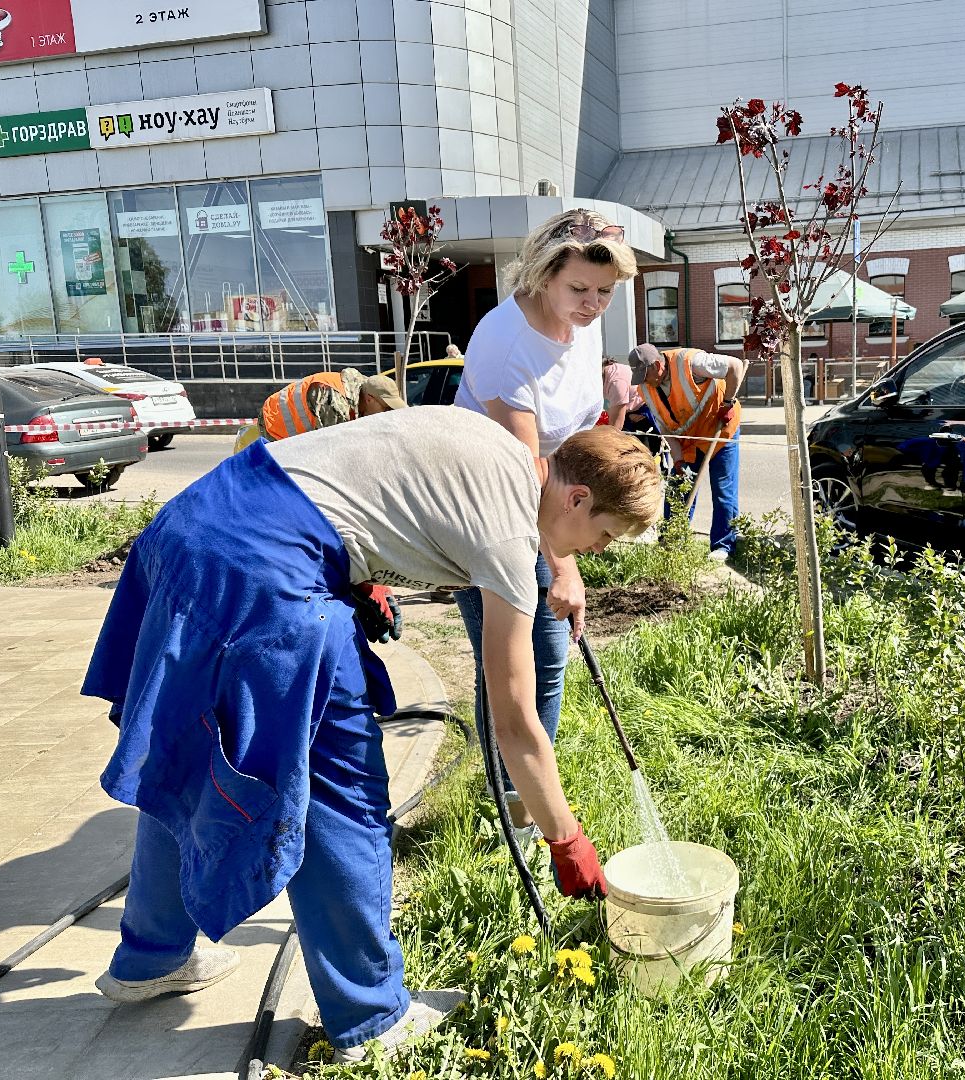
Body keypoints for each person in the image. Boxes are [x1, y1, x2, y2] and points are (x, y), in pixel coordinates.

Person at [82, 410, 660, 1063]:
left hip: (194, 527)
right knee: (341, 787)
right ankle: (371, 1016)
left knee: (194, 749)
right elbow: (515, 722)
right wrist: (565, 837)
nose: (593, 553)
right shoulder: (509, 536)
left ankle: (150, 957)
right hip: (260, 569)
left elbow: (369, 477)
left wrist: (359, 571)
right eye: (603, 536)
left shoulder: (500, 449)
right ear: (576, 497)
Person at [453, 208, 638, 845]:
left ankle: (529, 793)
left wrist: (614, 408)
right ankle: (514, 813)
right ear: (543, 274)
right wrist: (565, 568)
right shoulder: (505, 342)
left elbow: (577, 438)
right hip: (486, 506)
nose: (592, 305)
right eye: (579, 289)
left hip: (546, 498)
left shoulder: (579, 328)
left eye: (605, 293)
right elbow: (528, 468)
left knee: (549, 658)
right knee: (511, 666)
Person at [622, 342, 745, 558]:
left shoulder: (691, 362)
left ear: (657, 366)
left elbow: (735, 366)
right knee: (678, 486)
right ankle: (672, 540)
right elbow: (665, 429)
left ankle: (723, 546)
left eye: (645, 375)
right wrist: (678, 462)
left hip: (720, 429)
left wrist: (728, 403)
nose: (644, 382)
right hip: (690, 439)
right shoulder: (646, 388)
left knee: (723, 489)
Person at [232, 367, 407, 451]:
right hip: (275, 427)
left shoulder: (364, 388)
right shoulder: (335, 402)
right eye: (386, 408)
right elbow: (334, 450)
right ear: (370, 400)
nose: (387, 414)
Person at [602, 353, 662, 458]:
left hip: (643, 414)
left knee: (644, 456)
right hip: (631, 412)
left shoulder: (616, 381)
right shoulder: (609, 372)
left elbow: (616, 426)